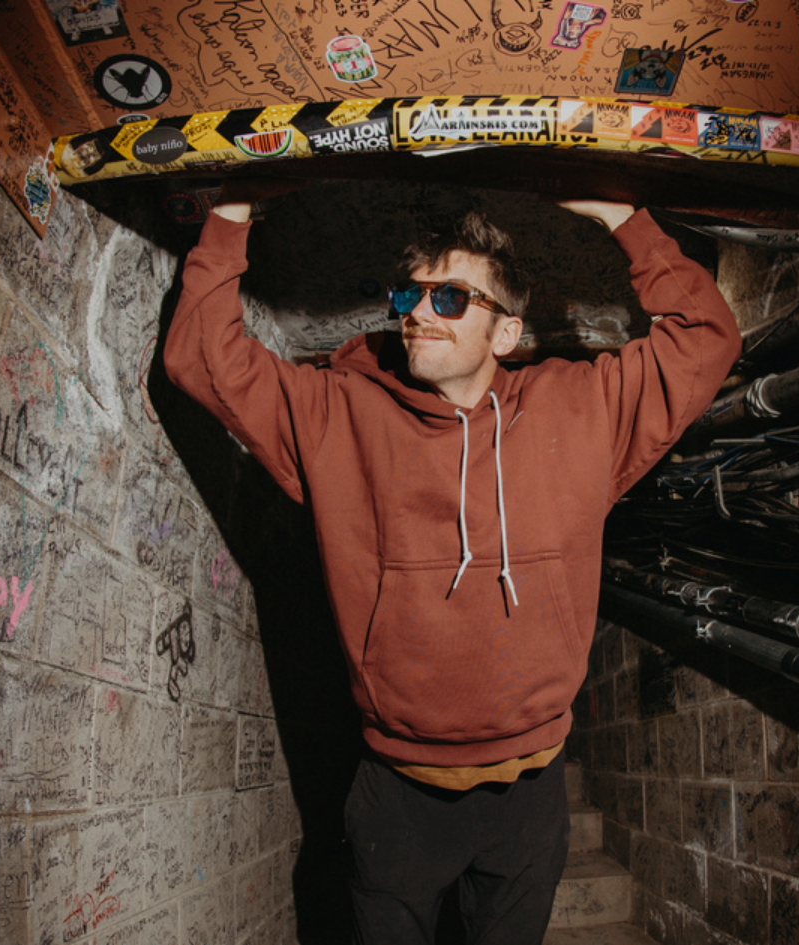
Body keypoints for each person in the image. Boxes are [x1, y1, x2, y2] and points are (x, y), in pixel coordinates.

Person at [164, 180, 740, 944]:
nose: (419, 313)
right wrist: (236, 207)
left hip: (529, 796)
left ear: (505, 332)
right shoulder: (340, 414)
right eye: (411, 294)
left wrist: (624, 219)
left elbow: (707, 338)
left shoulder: (581, 410)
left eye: (451, 298)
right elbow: (200, 356)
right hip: (399, 795)